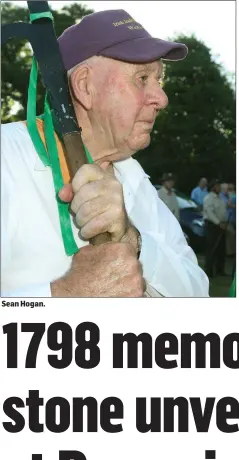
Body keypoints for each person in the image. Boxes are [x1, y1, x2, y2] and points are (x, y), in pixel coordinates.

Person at [0, 9, 208, 297]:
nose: (162, 98)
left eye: (159, 79)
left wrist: (133, 241)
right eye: (143, 78)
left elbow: (198, 293)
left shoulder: (135, 177)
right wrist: (64, 297)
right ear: (85, 86)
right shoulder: (6, 157)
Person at [203, 179, 228, 278]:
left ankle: (220, 270)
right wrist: (218, 223)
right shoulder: (209, 198)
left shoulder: (220, 198)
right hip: (212, 226)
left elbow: (223, 212)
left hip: (221, 225)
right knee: (211, 249)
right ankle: (208, 271)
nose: (220, 188)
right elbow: (209, 213)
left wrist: (224, 222)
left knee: (221, 249)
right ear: (213, 187)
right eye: (217, 186)